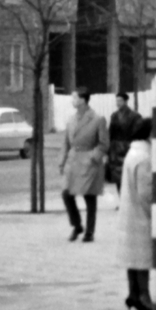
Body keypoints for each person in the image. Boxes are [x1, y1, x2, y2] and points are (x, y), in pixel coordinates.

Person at [118, 116, 155, 310]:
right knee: (143, 256)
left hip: (130, 212)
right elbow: (146, 192)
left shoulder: (134, 152)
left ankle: (133, 293)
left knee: (132, 256)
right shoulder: (145, 157)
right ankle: (143, 296)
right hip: (141, 215)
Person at [60, 87, 106, 241]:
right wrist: (62, 161)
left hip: (88, 162)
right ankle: (77, 225)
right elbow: (66, 142)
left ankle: (90, 232)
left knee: (89, 197)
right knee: (66, 194)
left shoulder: (97, 119)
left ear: (83, 100)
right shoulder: (71, 119)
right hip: (73, 162)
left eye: (75, 98)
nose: (72, 101)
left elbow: (104, 143)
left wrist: (94, 156)